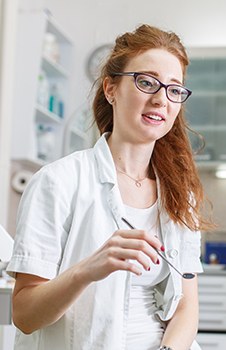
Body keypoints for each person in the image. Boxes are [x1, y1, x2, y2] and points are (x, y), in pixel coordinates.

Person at [7, 24, 213, 350]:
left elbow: (187, 305)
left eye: (174, 89)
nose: (161, 99)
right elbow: (25, 315)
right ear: (110, 89)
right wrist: (87, 270)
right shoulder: (57, 181)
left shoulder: (180, 194)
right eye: (147, 82)